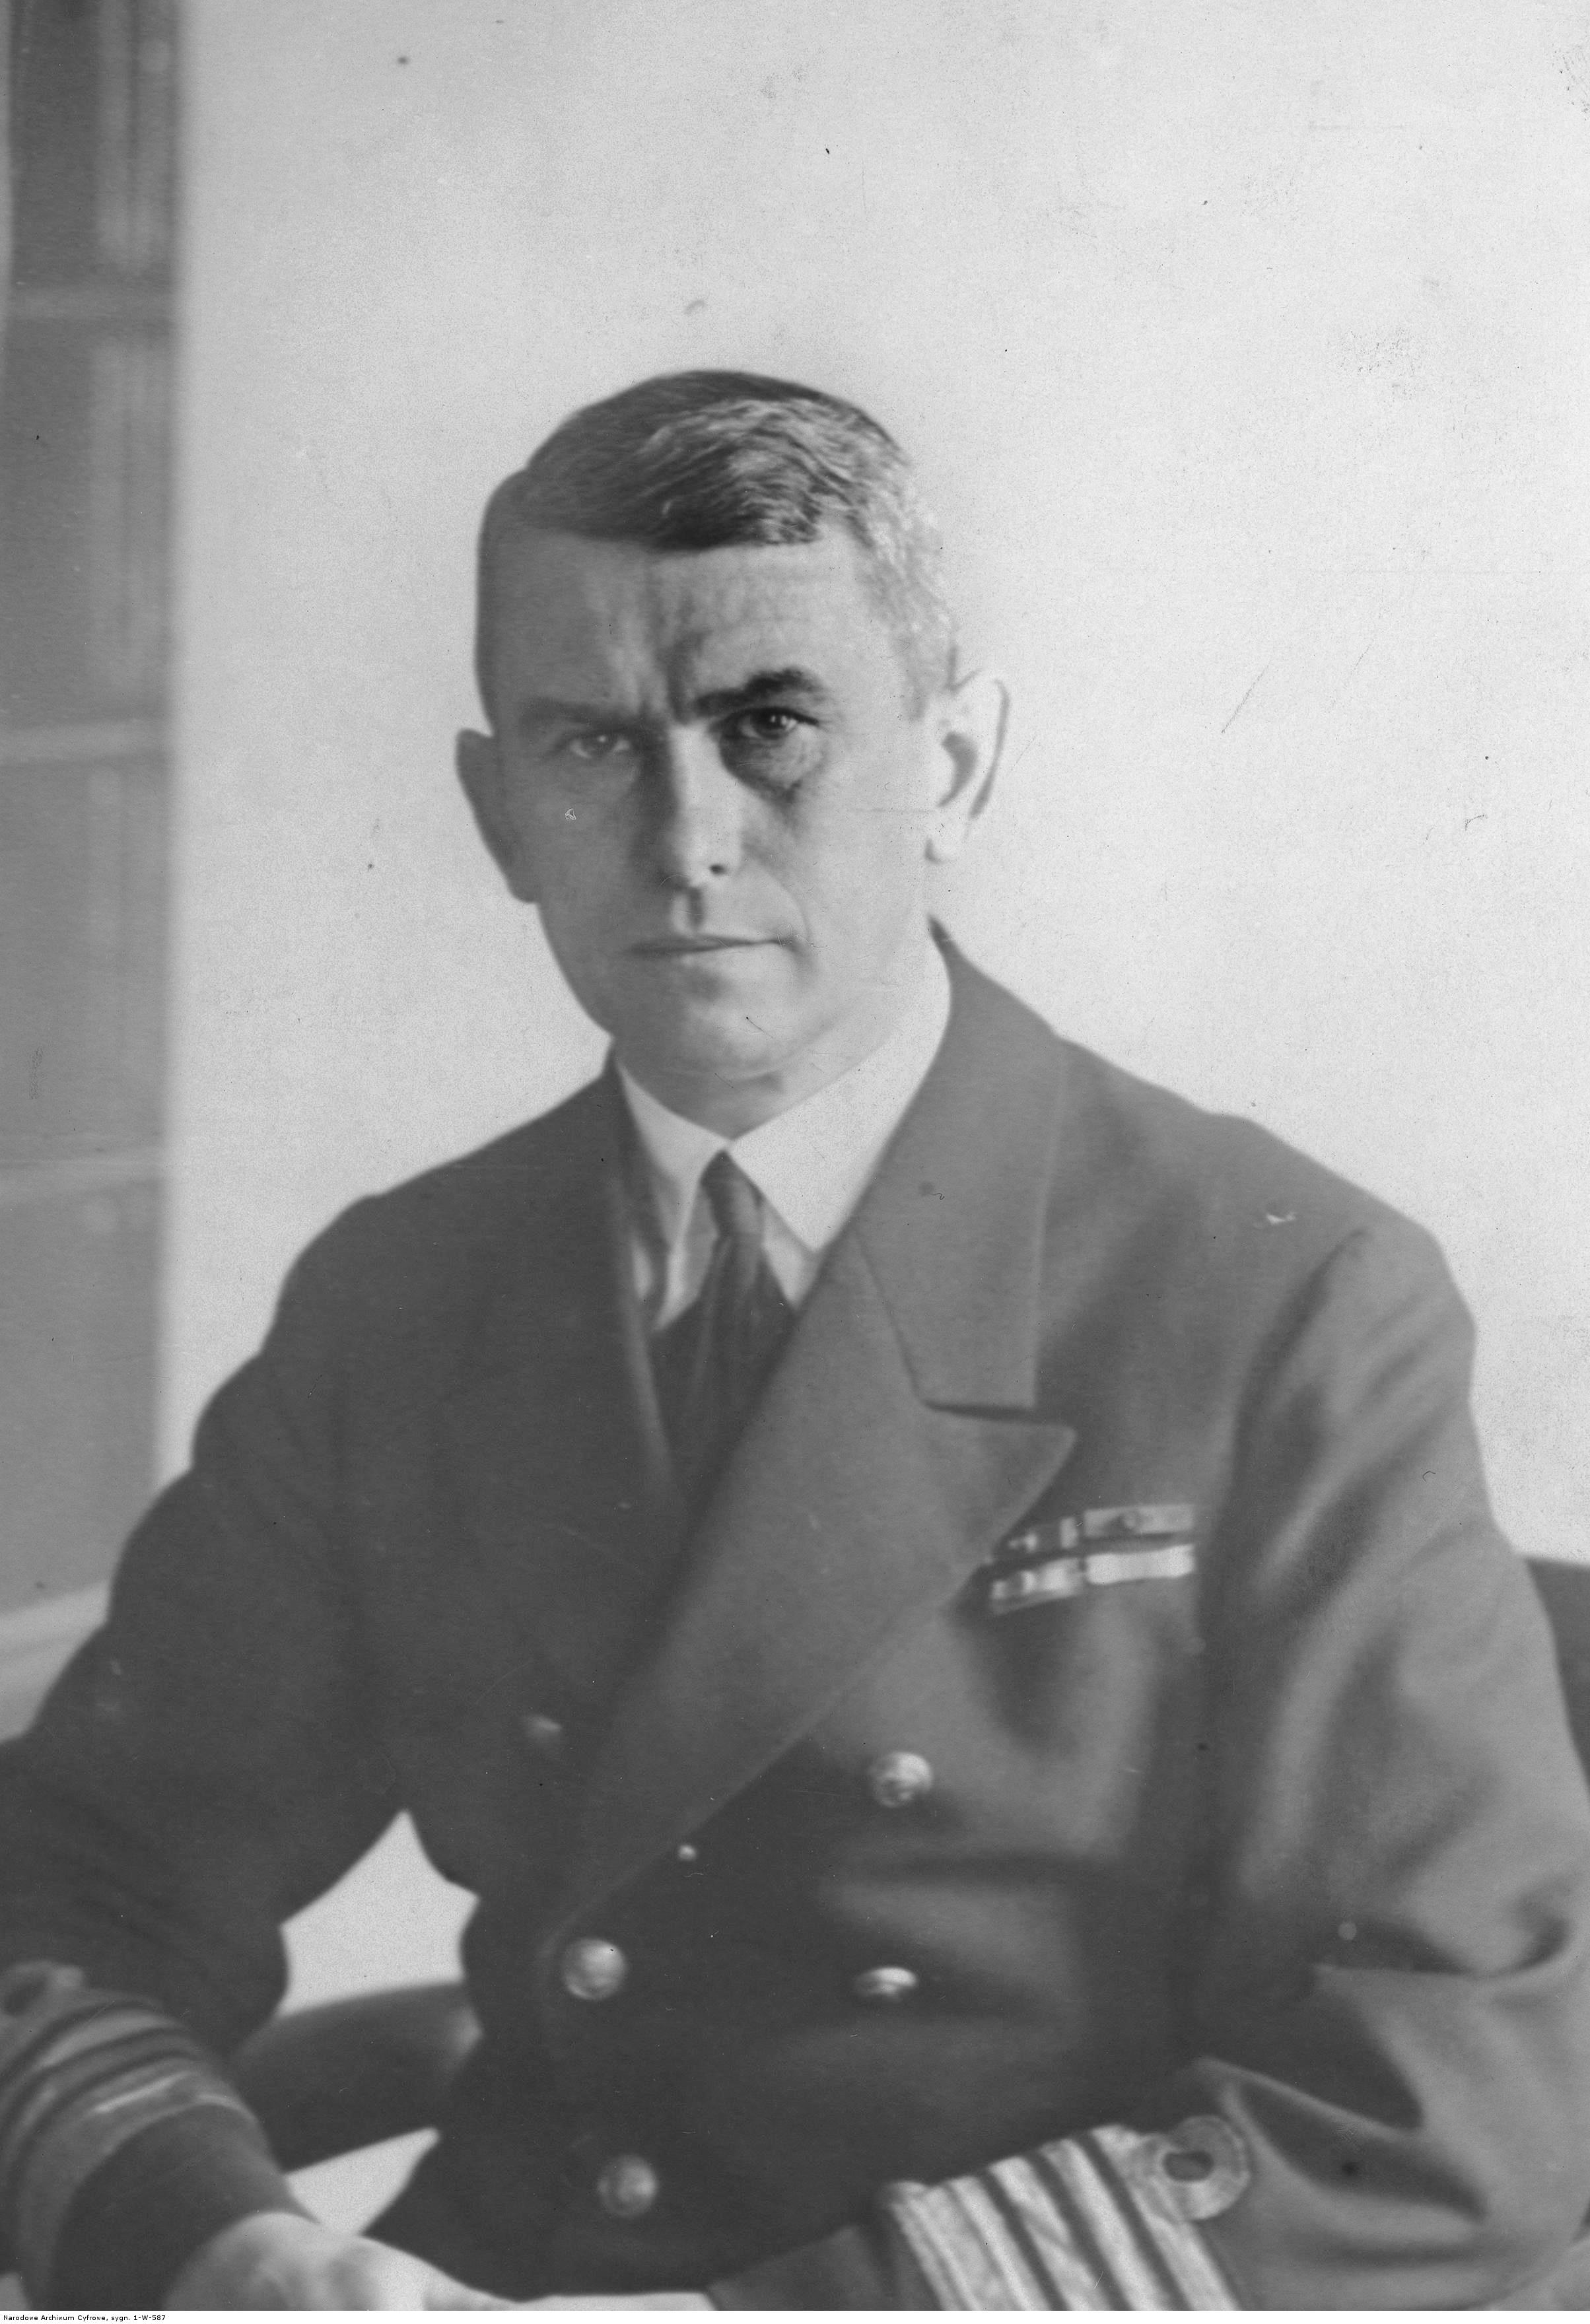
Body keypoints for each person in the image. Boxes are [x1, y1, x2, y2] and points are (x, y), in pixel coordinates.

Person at [2, 370, 1589, 2311]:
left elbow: (1451, 2092)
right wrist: (220, 2243)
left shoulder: (1281, 1299)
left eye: (772, 728)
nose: (686, 839)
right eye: (593, 743)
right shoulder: (405, 1300)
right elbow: (84, 1875)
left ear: (957, 767)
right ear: (497, 814)